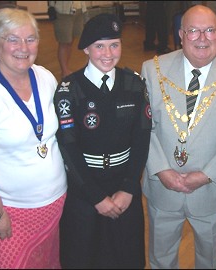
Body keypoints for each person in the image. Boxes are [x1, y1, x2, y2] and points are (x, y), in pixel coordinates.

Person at [141, 4, 216, 268]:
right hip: (162, 187)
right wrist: (161, 169)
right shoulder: (152, 70)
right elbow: (144, 128)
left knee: (210, 260)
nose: (202, 38)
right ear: (180, 34)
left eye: (210, 30)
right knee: (160, 258)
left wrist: (206, 175)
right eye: (193, 31)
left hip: (212, 192)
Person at [0, 8, 67, 269]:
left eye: (31, 39)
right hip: (10, 211)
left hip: (52, 203)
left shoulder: (45, 77)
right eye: (13, 39)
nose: (23, 47)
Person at [54, 13, 151, 268]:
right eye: (99, 46)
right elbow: (68, 146)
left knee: (126, 257)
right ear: (86, 48)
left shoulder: (134, 83)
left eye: (114, 44)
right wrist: (95, 196)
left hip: (124, 188)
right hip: (85, 189)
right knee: (84, 257)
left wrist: (130, 186)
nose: (108, 53)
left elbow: (142, 138)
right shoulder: (69, 89)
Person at [48, 1, 87, 78]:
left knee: (70, 41)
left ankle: (66, 68)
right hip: (63, 11)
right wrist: (51, 6)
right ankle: (64, 71)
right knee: (64, 42)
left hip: (79, 9)